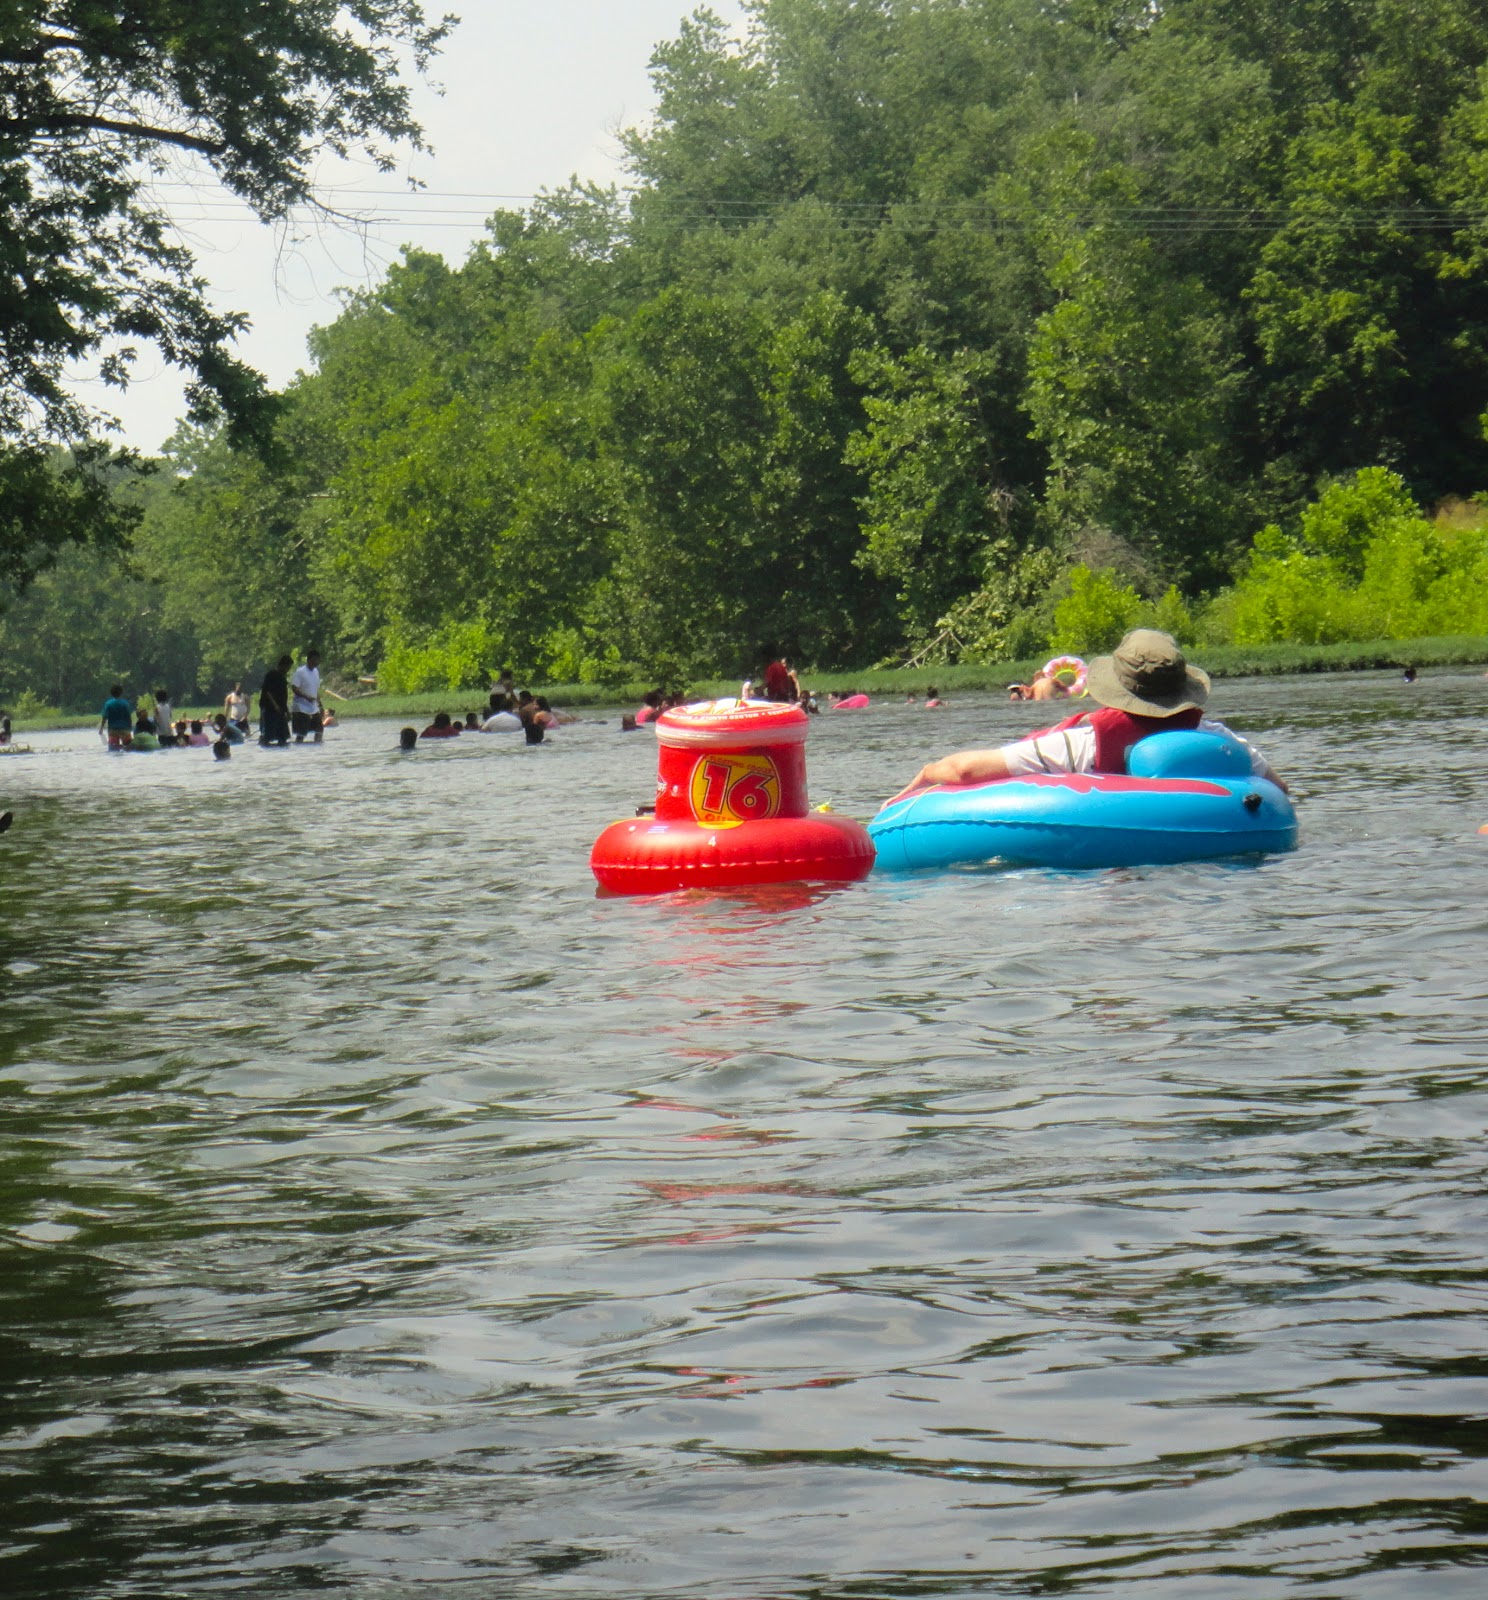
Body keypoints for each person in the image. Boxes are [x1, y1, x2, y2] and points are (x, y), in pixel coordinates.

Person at [892, 630, 1287, 800]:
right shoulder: (1218, 739)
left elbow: (964, 772)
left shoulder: (1081, 742)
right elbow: (1278, 791)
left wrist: (927, 773)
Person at [290, 650, 323, 742]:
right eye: (315, 660)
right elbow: (294, 688)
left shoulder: (316, 672)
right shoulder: (300, 671)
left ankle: (317, 749)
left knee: (319, 730)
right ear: (310, 659)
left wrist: (320, 705)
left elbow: (316, 690)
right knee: (301, 733)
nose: (317, 662)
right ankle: (299, 749)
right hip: (301, 707)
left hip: (313, 707)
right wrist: (306, 697)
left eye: (318, 660)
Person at [258, 656, 291, 746]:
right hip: (269, 708)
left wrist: (286, 711)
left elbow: (283, 696)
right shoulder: (271, 674)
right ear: (283, 665)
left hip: (280, 709)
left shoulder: (282, 677)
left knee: (283, 735)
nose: (288, 670)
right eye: (288, 667)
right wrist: (275, 705)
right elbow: (267, 691)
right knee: (268, 734)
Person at [99, 683, 134, 749]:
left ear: (111, 693)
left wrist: (101, 729)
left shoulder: (108, 704)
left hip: (113, 730)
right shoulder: (125, 704)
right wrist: (130, 728)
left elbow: (105, 717)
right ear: (121, 692)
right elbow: (129, 716)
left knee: (113, 750)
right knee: (128, 748)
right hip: (125, 729)